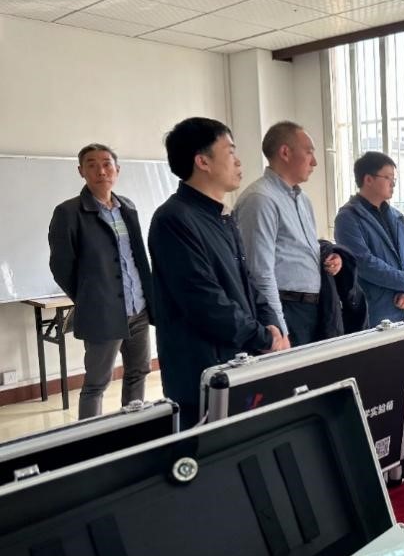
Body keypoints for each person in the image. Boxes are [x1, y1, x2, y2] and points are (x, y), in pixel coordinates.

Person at [148, 117, 288, 428]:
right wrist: (261, 336)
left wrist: (272, 325)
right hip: (203, 370)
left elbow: (247, 284)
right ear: (203, 162)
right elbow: (204, 300)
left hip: (239, 360)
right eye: (230, 151)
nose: (239, 161)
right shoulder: (173, 219)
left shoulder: (223, 216)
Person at [48, 143, 152, 419]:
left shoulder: (127, 207)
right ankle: (91, 438)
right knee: (96, 383)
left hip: (138, 308)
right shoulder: (69, 212)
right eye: (92, 165)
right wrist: (90, 297)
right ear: (81, 171)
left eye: (107, 164)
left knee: (139, 371)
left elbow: (137, 257)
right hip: (103, 312)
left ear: (117, 169)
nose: (101, 171)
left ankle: (134, 428)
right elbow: (61, 266)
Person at [234, 121, 349, 347]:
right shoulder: (261, 199)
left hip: (313, 308)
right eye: (309, 152)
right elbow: (260, 271)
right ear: (285, 152)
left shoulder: (302, 199)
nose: (314, 162)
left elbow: (300, 249)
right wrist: (279, 327)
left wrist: (328, 259)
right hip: (286, 309)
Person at [334, 151, 404, 326]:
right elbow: (364, 263)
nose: (393, 183)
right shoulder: (348, 218)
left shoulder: (396, 216)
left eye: (394, 179)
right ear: (368, 179)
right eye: (388, 177)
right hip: (375, 312)